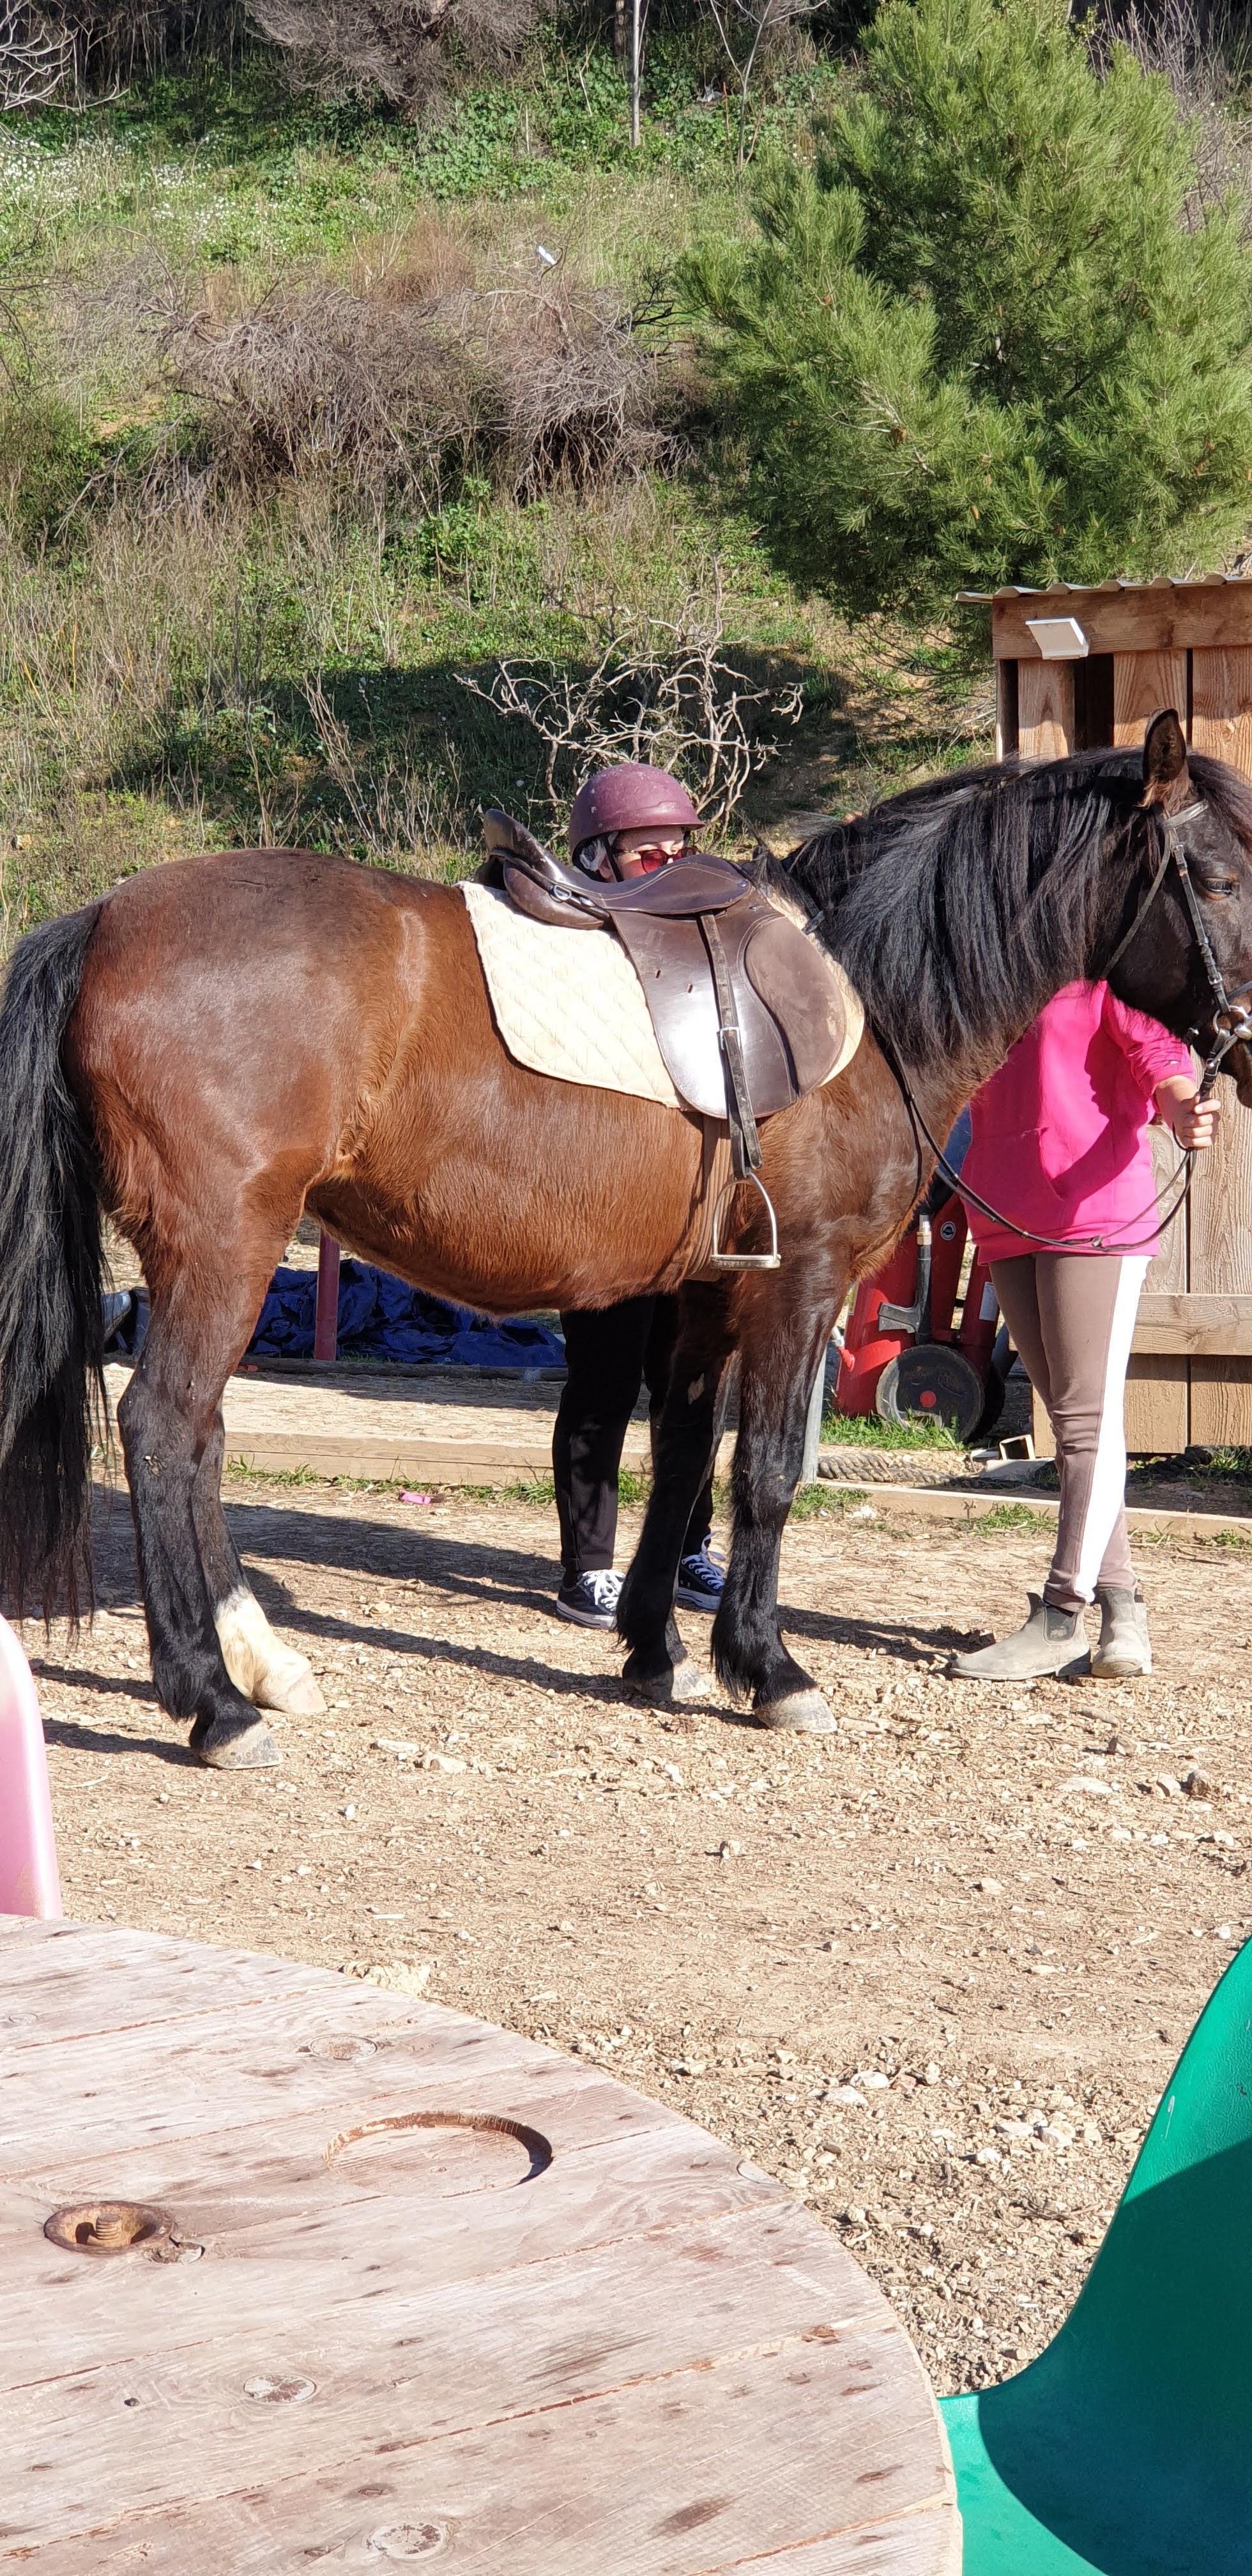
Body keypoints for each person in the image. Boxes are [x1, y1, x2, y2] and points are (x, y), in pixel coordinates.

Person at [952, 979, 1217, 1683]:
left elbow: (1158, 1054)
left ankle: (1062, 1613)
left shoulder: (1111, 972)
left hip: (1093, 1212)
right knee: (1079, 1425)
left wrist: (1183, 1107)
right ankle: (1123, 1607)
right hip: (1003, 1206)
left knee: (1083, 1420)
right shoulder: (994, 964)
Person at [551, 762, 726, 1627]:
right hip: (609, 1198)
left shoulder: (709, 938)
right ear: (598, 853)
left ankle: (688, 1547)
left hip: (695, 1194)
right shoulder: (575, 951)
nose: (666, 858)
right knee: (605, 1380)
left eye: (677, 843)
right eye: (644, 846)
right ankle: (587, 1562)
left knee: (691, 1382)